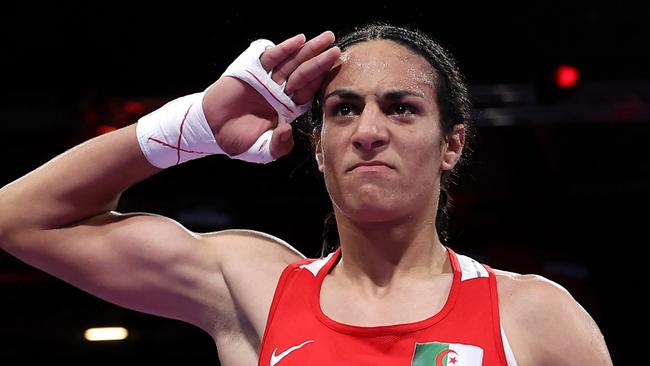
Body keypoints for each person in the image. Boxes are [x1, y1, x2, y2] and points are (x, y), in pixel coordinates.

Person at [0, 23, 612, 366]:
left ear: (451, 145)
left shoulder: (533, 315)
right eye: (344, 110)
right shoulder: (256, 288)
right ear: (318, 147)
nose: (368, 131)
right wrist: (188, 129)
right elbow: (19, 220)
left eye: (401, 108)